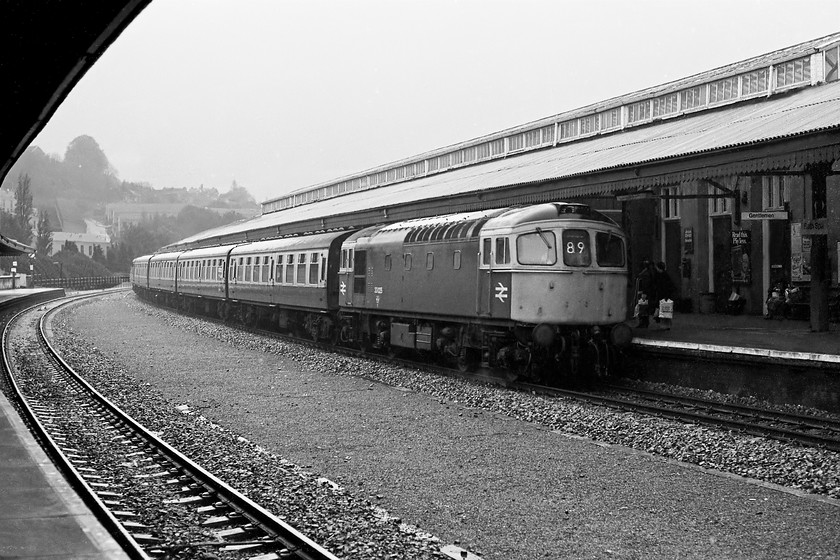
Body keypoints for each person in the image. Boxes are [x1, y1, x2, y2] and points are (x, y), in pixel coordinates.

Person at [653, 261, 675, 329]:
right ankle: (666, 325)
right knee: (666, 311)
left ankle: (664, 325)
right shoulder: (665, 275)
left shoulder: (660, 276)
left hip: (663, 296)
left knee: (663, 311)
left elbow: (661, 287)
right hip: (665, 296)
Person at [634, 260, 654, 328]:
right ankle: (644, 322)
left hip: (643, 293)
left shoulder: (645, 274)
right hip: (646, 293)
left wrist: (644, 292)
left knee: (643, 308)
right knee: (644, 308)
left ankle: (643, 322)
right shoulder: (648, 272)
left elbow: (645, 284)